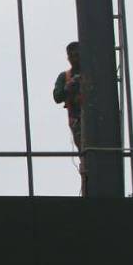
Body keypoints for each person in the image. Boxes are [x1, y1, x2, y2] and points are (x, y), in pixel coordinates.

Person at [53, 41, 84, 195]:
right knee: (85, 150)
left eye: (77, 55)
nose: (75, 58)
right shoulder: (65, 76)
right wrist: (67, 87)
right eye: (72, 56)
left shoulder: (93, 73)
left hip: (93, 118)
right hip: (76, 119)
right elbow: (57, 97)